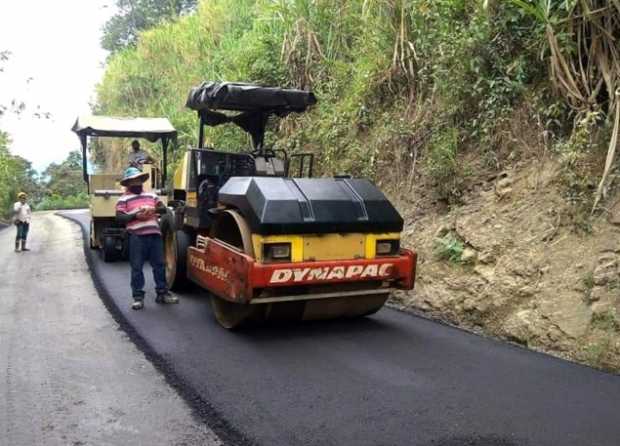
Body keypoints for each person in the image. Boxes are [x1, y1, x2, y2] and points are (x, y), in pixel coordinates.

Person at [116, 166, 178, 310]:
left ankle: (162, 294)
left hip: (154, 235)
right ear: (128, 183)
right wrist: (135, 215)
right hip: (136, 237)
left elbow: (164, 209)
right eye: (133, 180)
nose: (136, 182)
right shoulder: (123, 199)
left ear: (141, 180)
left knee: (160, 265)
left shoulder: (152, 196)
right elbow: (119, 217)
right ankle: (138, 297)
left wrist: (153, 210)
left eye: (138, 179)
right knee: (137, 267)